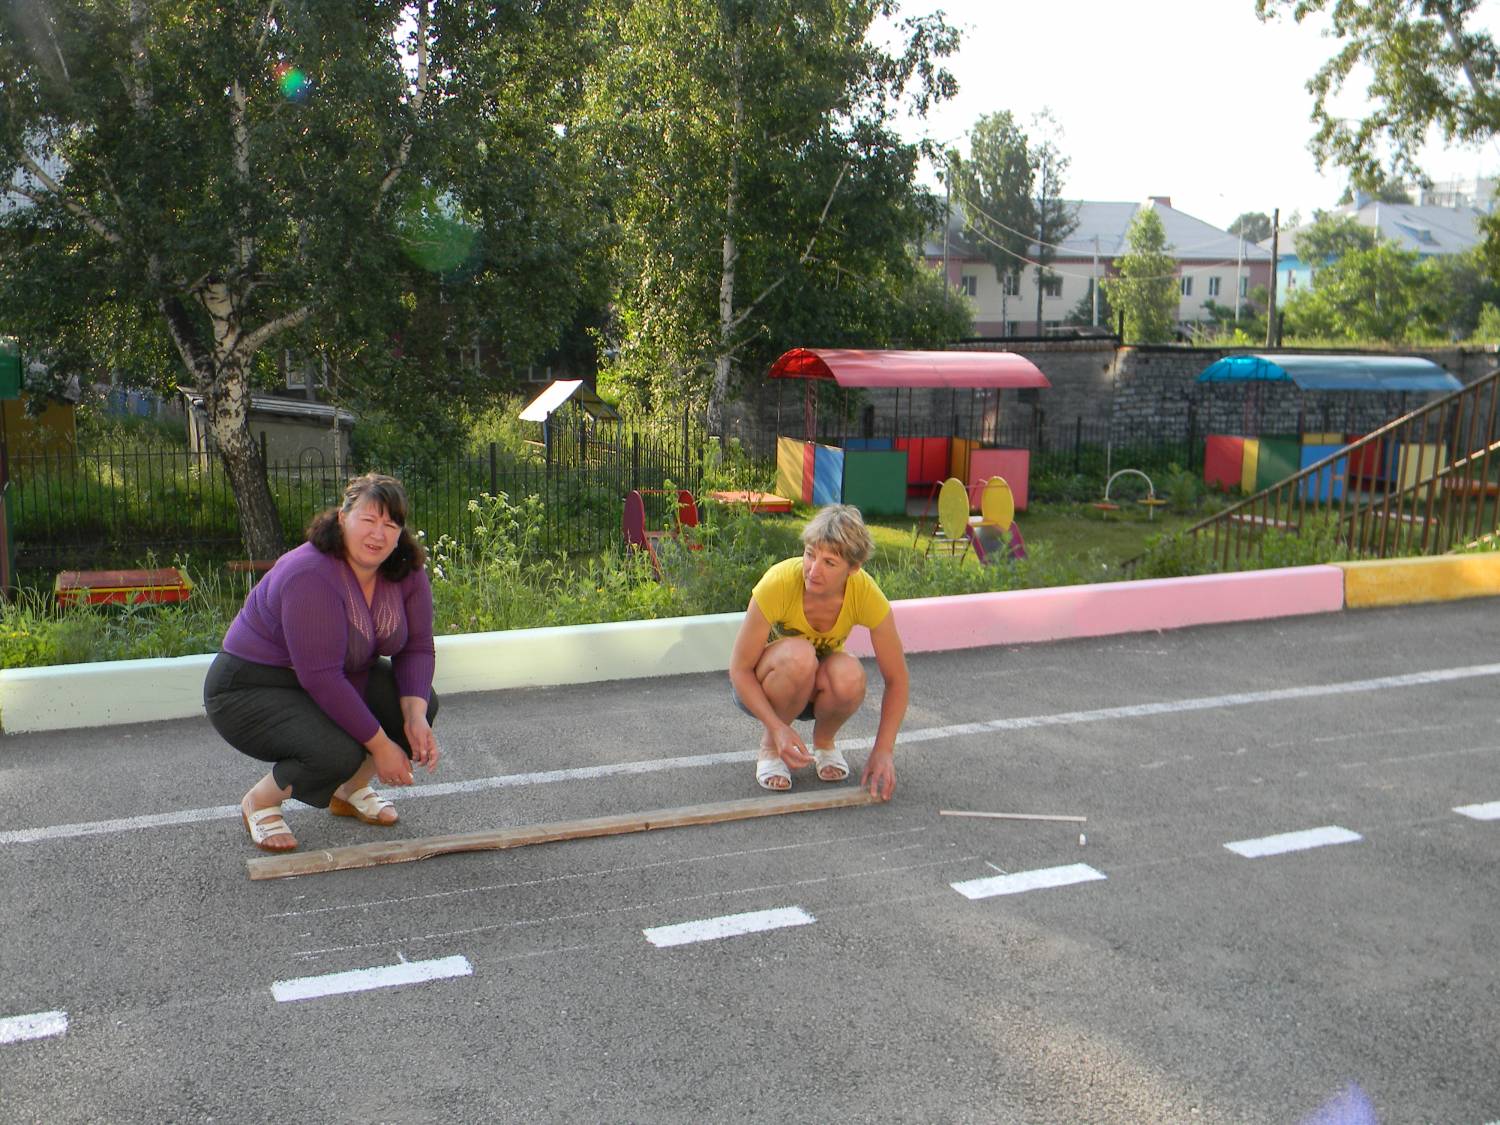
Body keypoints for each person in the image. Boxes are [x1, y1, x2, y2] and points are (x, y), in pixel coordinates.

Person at [204, 473, 440, 853]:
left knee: (418, 700)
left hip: (330, 677)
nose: (378, 534)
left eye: (390, 524)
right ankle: (260, 802)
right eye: (369, 519)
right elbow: (322, 677)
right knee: (337, 751)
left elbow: (416, 646)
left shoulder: (405, 571)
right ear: (343, 518)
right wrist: (382, 748)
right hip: (249, 687)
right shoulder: (310, 572)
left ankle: (349, 791)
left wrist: (414, 716)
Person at [729, 504, 908, 799]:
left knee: (850, 674)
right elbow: (738, 669)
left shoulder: (865, 594)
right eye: (810, 554)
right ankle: (770, 749)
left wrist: (884, 751)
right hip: (766, 686)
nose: (814, 570)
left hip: (817, 689)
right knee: (800, 656)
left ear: (853, 569)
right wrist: (776, 728)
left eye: (829, 562)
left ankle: (824, 743)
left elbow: (898, 679)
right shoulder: (780, 582)